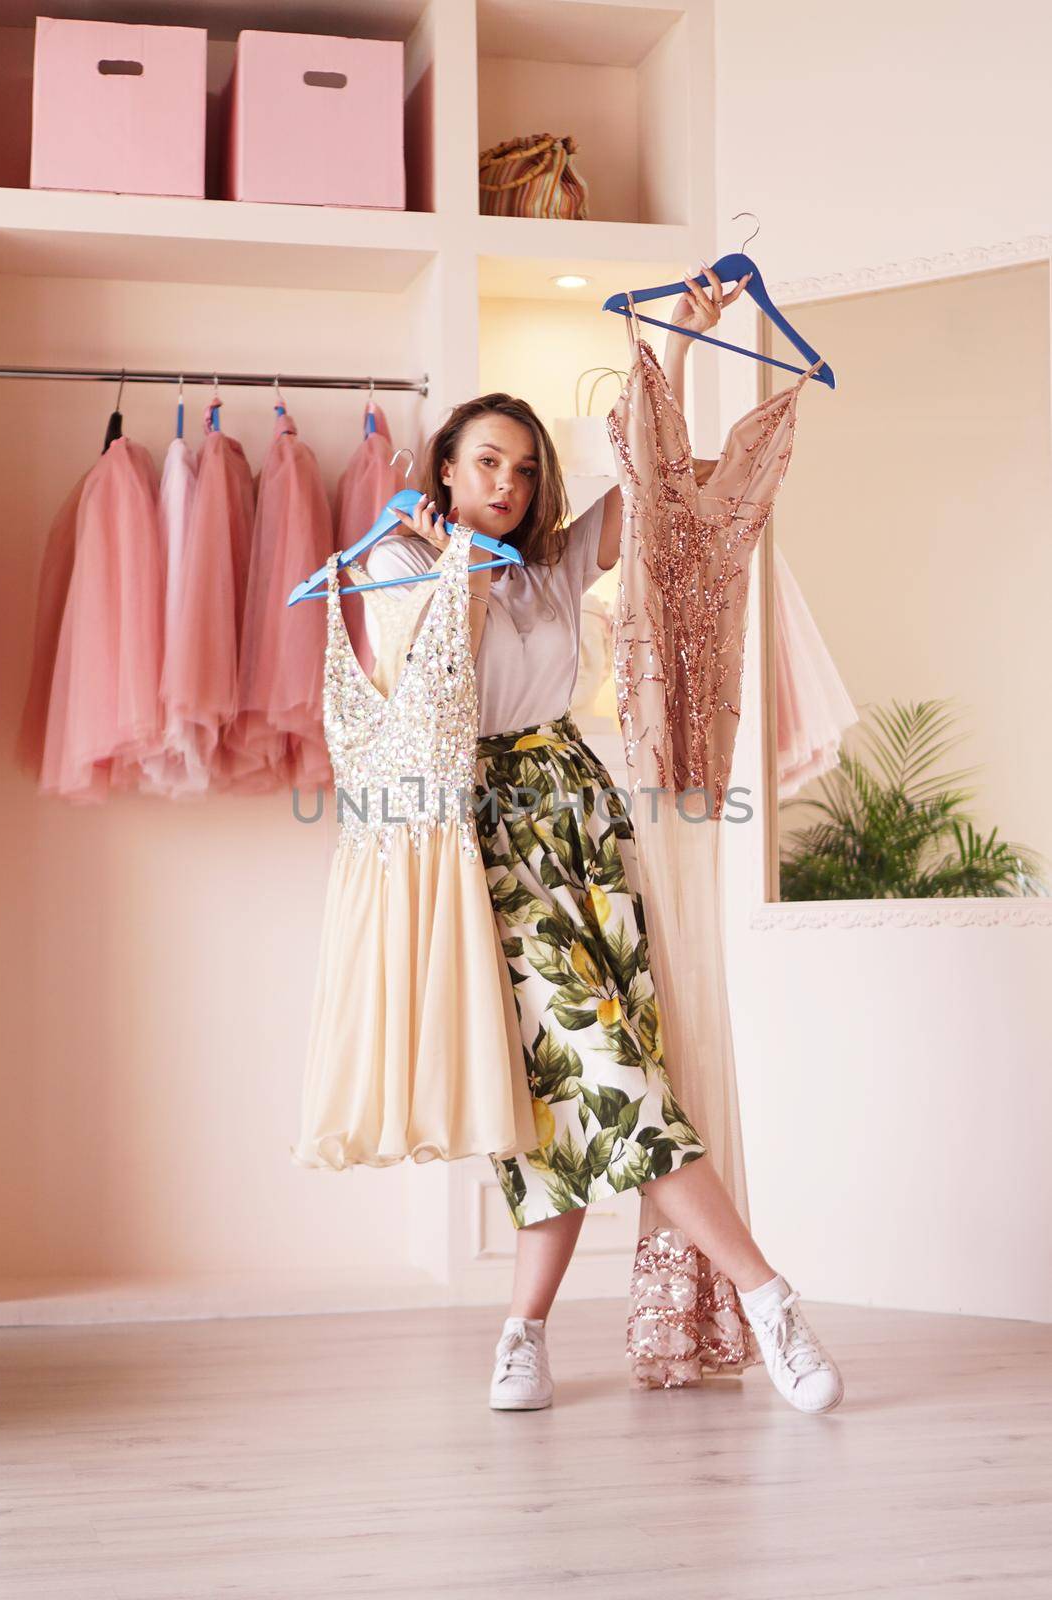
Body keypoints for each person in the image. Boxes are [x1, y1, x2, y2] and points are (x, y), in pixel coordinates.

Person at [368, 265, 844, 1417]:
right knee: (598, 1071)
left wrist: (671, 347)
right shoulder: (396, 559)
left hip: (576, 821)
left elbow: (647, 487)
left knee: (573, 1095)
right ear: (443, 466)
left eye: (524, 469)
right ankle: (769, 1295)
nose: (507, 482)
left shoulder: (549, 565)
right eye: (486, 461)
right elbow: (415, 686)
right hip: (475, 840)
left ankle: (521, 1333)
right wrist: (450, 563)